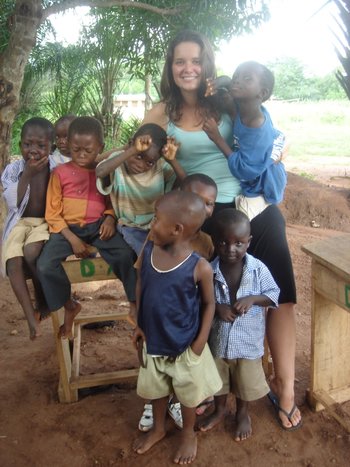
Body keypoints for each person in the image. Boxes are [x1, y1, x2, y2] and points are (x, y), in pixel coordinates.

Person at [142, 29, 302, 430]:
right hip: (196, 219)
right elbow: (144, 158)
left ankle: (283, 388)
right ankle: (190, 387)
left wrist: (278, 158)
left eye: (196, 60)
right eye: (180, 61)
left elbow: (268, 138)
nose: (188, 68)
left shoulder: (228, 102)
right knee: (192, 297)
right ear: (171, 67)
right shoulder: (161, 112)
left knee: (278, 291)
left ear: (206, 64)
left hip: (246, 211)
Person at [132, 190, 222, 464]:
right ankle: (159, 429)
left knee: (187, 393)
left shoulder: (199, 267)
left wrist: (200, 342)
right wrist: (138, 323)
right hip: (153, 340)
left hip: (185, 344)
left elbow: (209, 304)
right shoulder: (148, 251)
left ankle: (187, 433)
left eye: (156, 219)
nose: (151, 224)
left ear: (177, 229)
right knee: (157, 389)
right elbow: (141, 284)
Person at [37, 116, 137, 338]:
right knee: (45, 266)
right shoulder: (59, 174)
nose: (81, 155)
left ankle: (133, 302)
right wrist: (71, 238)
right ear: (67, 146)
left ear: (100, 147)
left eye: (88, 150)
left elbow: (112, 201)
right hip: (66, 231)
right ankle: (69, 306)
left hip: (98, 227)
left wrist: (110, 218)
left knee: (125, 254)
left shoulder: (103, 171)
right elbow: (52, 213)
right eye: (76, 149)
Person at [199, 208, 280, 440]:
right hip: (219, 341)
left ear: (249, 242)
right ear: (214, 241)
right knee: (219, 382)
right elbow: (203, 300)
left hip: (247, 343)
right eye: (223, 242)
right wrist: (217, 308)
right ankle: (220, 410)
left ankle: (243, 413)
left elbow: (274, 294)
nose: (230, 249)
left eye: (239, 243)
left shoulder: (257, 269)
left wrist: (253, 299)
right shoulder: (209, 271)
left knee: (245, 382)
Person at [203, 61, 287, 221]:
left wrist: (216, 137)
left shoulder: (256, 125)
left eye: (247, 79)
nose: (237, 81)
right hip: (255, 177)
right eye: (237, 76)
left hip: (261, 187)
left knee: (237, 224)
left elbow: (244, 169)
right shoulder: (244, 108)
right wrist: (217, 83)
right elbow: (228, 82)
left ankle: (244, 246)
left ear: (262, 93)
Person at [1, 117, 56, 340]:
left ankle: (44, 300)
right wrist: (29, 175)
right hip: (19, 222)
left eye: (40, 145)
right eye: (27, 144)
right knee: (12, 262)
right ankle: (30, 316)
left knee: (32, 253)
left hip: (44, 222)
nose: (33, 150)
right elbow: (13, 202)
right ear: (20, 144)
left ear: (51, 146)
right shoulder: (14, 169)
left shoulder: (56, 166)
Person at [95, 123, 186, 255]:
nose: (140, 165)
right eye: (138, 156)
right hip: (130, 226)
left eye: (149, 162)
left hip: (157, 224)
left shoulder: (160, 166)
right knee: (147, 255)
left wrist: (172, 161)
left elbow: (186, 183)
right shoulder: (118, 161)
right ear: (131, 143)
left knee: (173, 252)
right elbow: (100, 171)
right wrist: (132, 150)